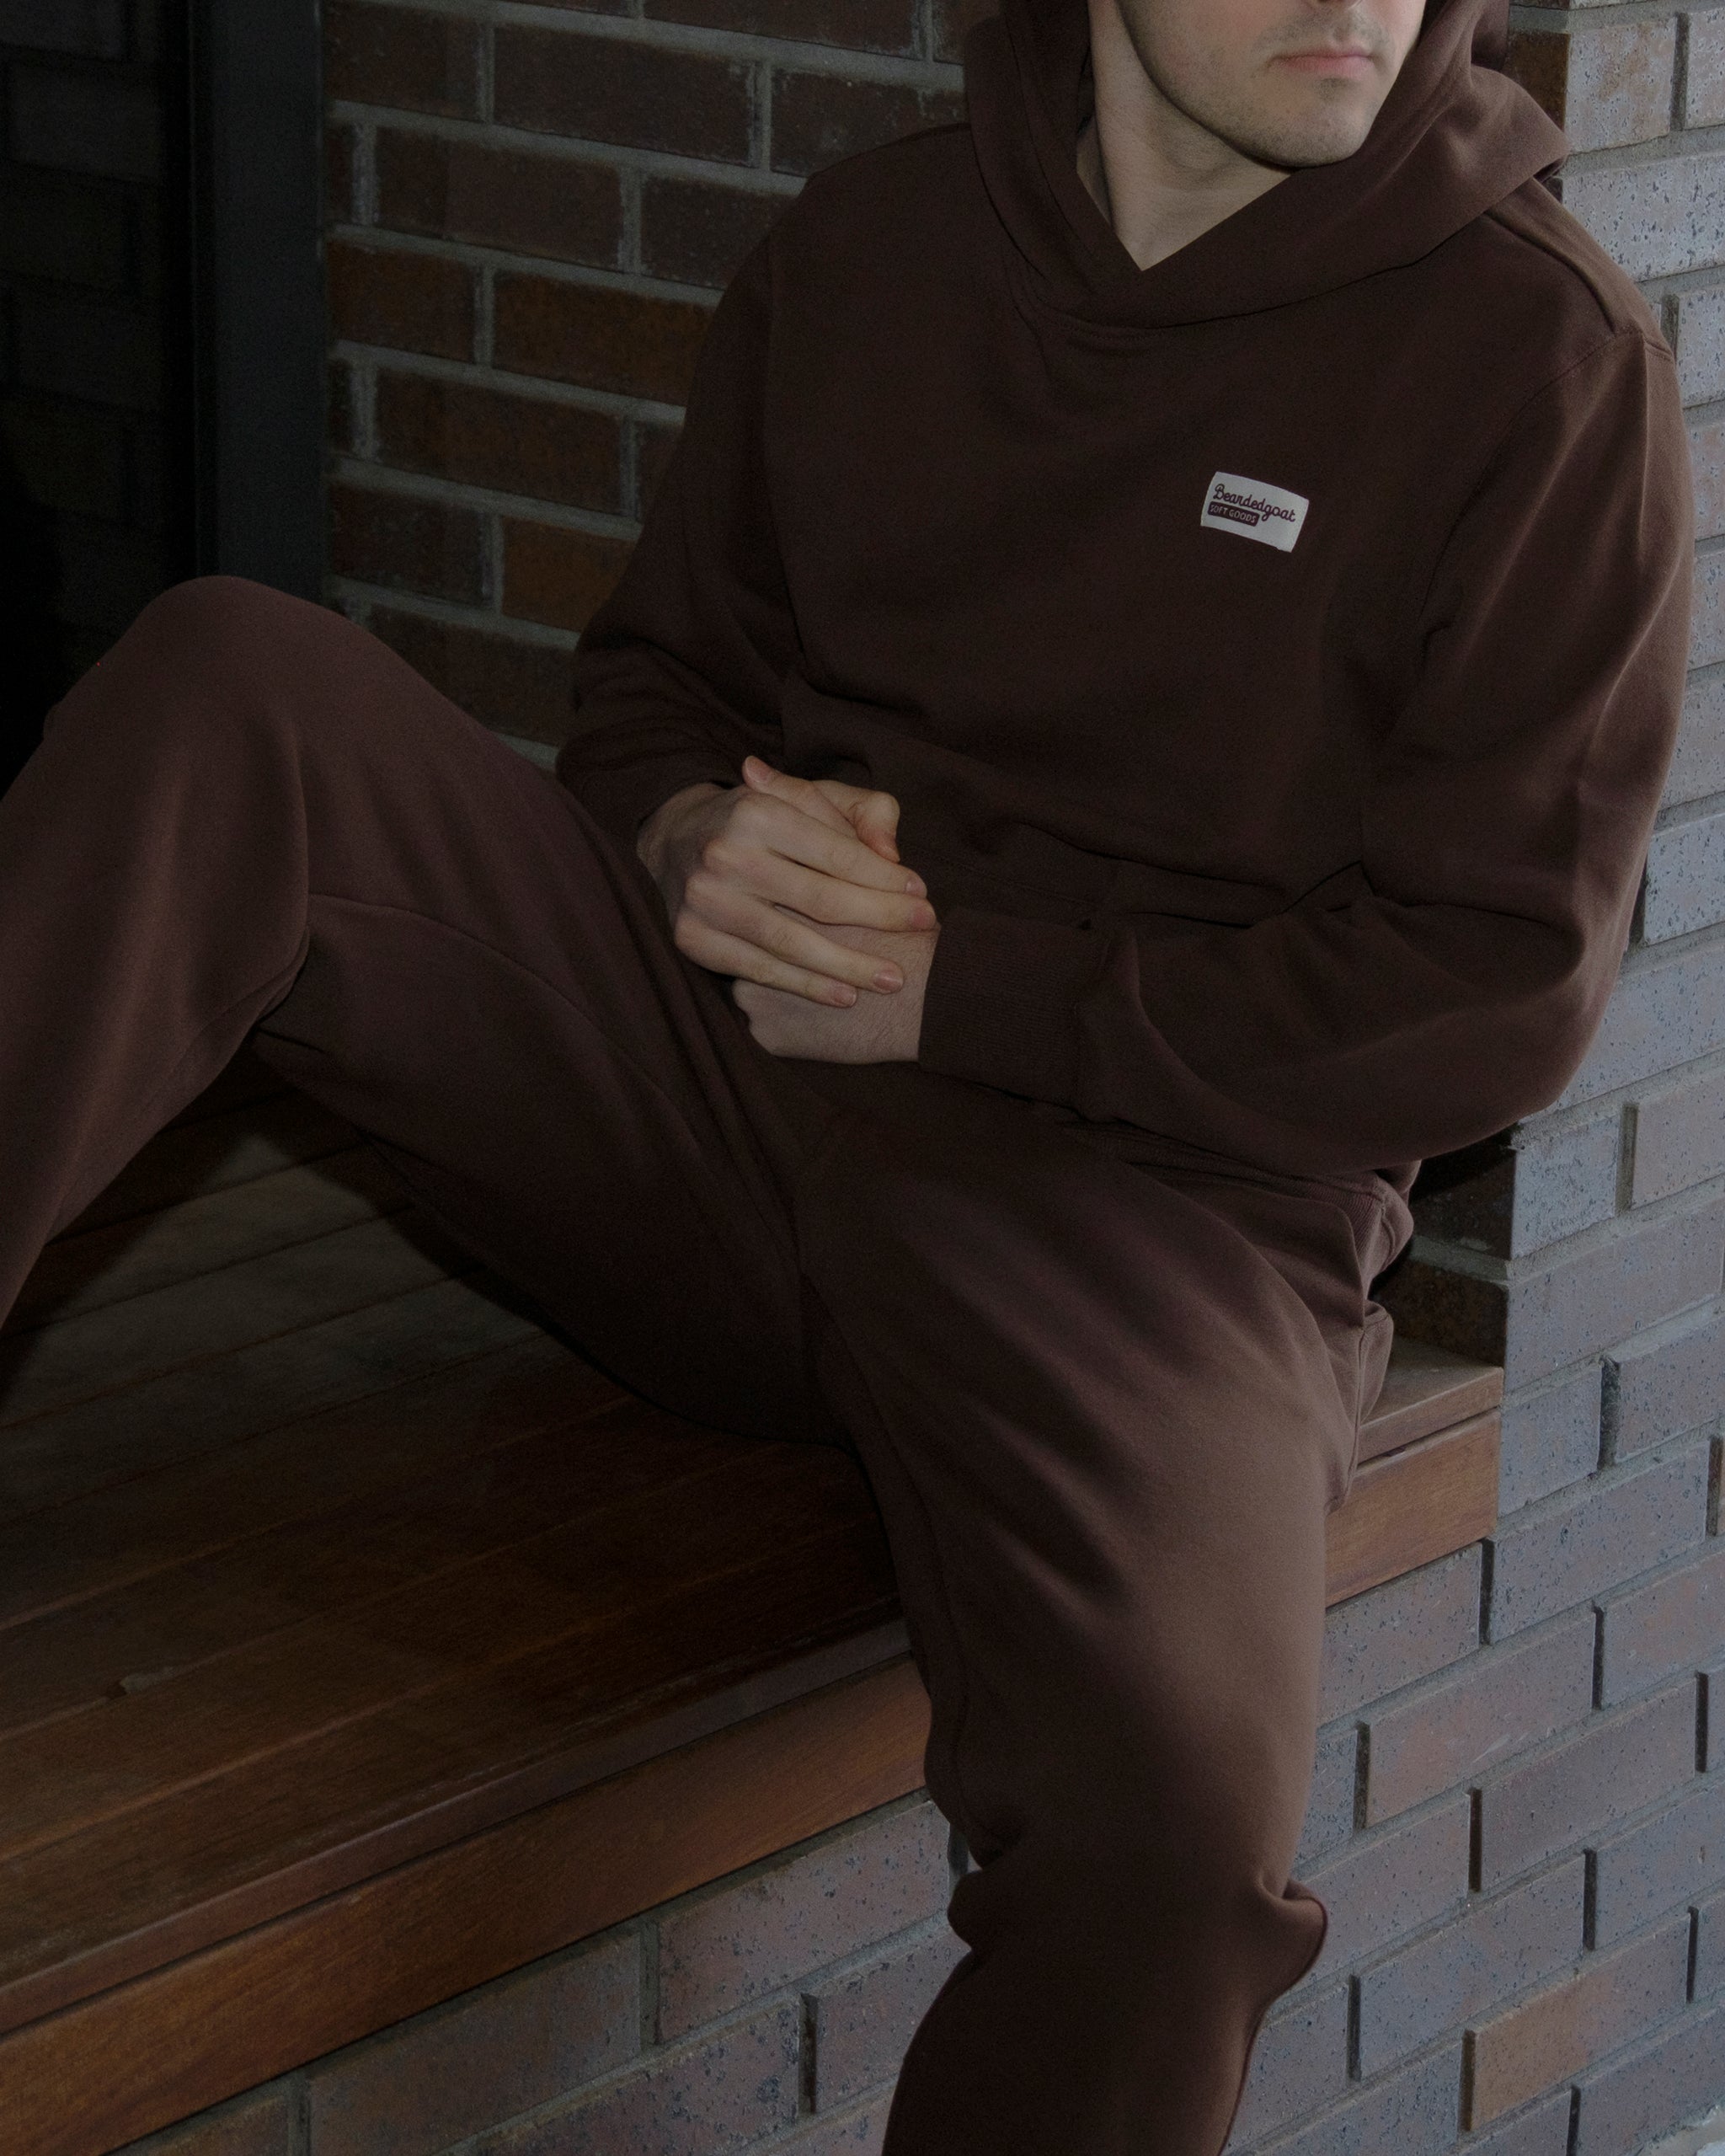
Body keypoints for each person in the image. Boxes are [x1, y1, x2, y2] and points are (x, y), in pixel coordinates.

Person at [0, 0, 1694, 2148]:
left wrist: (960, 994)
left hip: (1153, 1226)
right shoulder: (865, 251)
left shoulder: (1533, 359)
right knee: (234, 681)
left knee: (1165, 1861)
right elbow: (651, 690)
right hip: (725, 1117)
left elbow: (1490, 990)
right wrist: (698, 833)